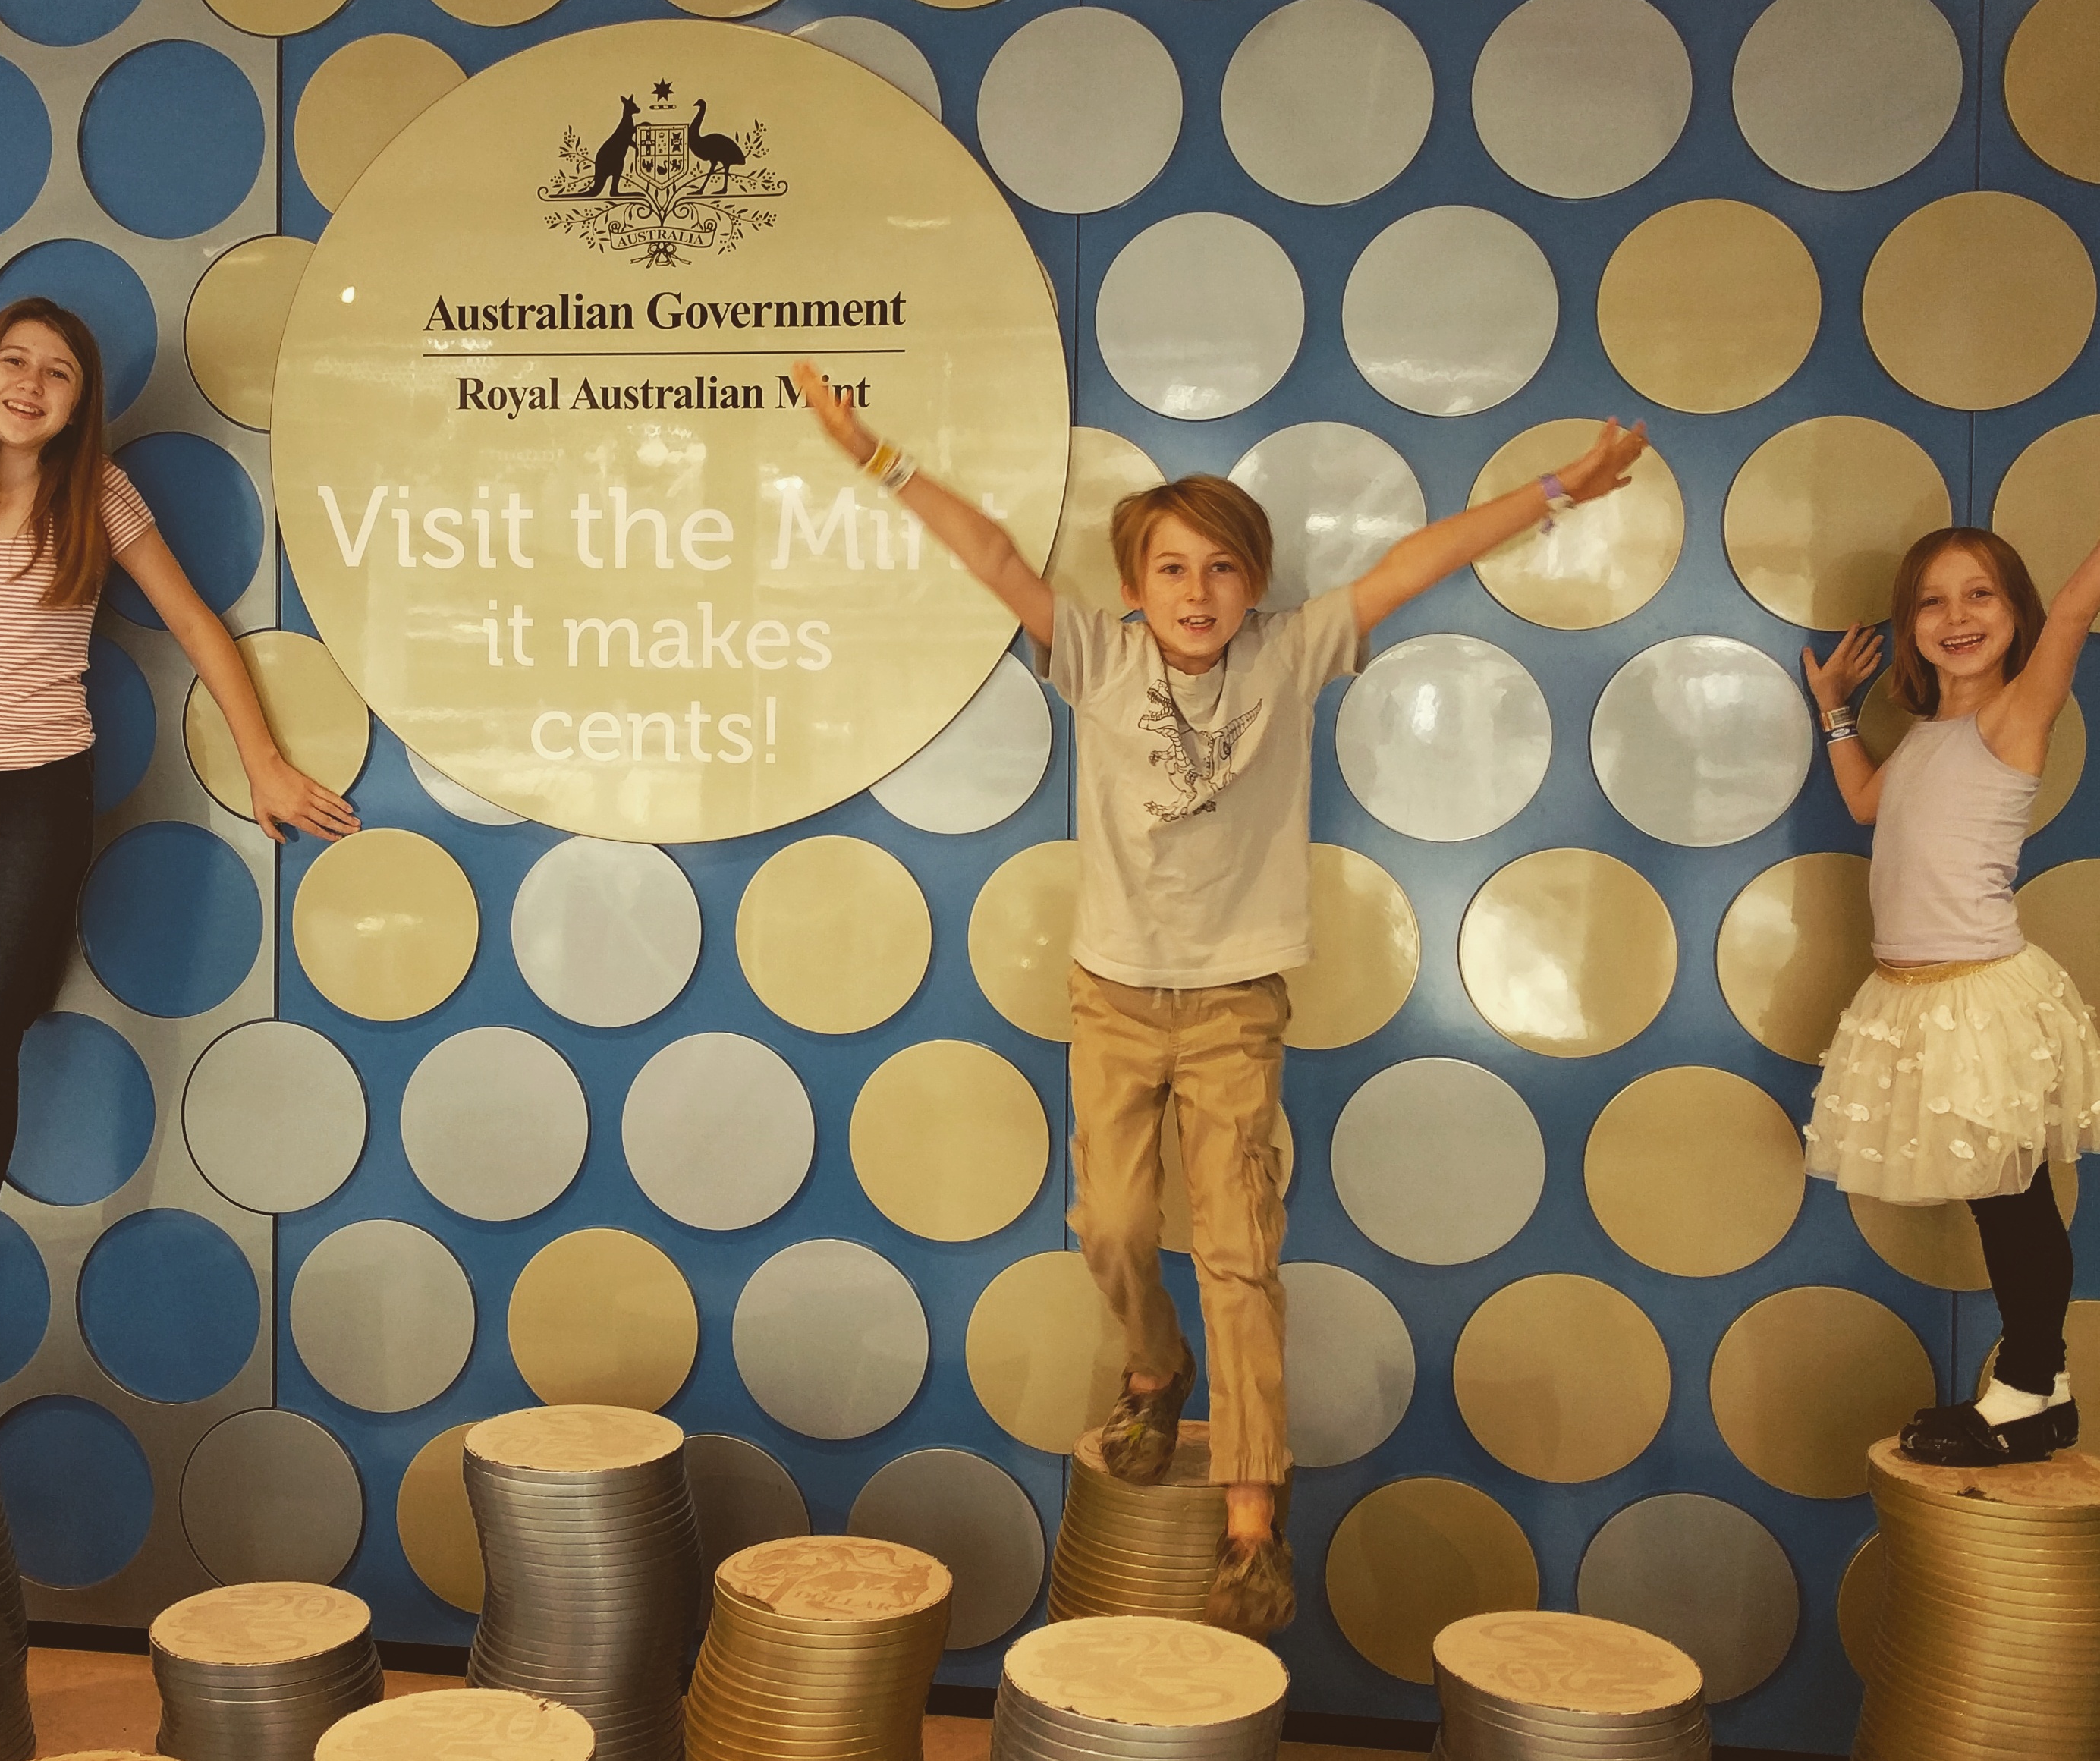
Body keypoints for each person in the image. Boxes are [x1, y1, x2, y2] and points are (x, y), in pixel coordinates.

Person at [793, 359, 1647, 1634]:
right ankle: (1153, 1364)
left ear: (1254, 584)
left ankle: (1252, 1517)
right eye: (1171, 570)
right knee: (1110, 1223)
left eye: (1221, 569)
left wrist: (1556, 489)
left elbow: (1419, 560)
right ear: (1134, 587)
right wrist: (872, 453)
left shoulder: (1291, 655)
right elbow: (988, 553)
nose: (1196, 592)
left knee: (1241, 1254)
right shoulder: (1091, 651)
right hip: (1111, 996)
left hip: (1234, 1004)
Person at [0, 298, 360, 1405]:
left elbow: (194, 622)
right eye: (15, 361)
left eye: (59, 374)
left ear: (79, 403)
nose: (31, 385)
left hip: (37, 800)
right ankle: (2, 957)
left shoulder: (99, 494)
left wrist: (265, 763)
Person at [1803, 524, 2100, 1467]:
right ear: (1909, 624)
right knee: (1993, 1197)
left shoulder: (2017, 712)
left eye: (1980, 595)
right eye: (1931, 601)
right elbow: (1865, 805)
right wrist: (1835, 710)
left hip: (1980, 996)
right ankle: (2044, 1391)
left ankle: (2029, 1384)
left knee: (2012, 1202)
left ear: (2016, 613)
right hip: (1916, 997)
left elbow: (2076, 608)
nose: (1956, 616)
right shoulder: (1926, 735)